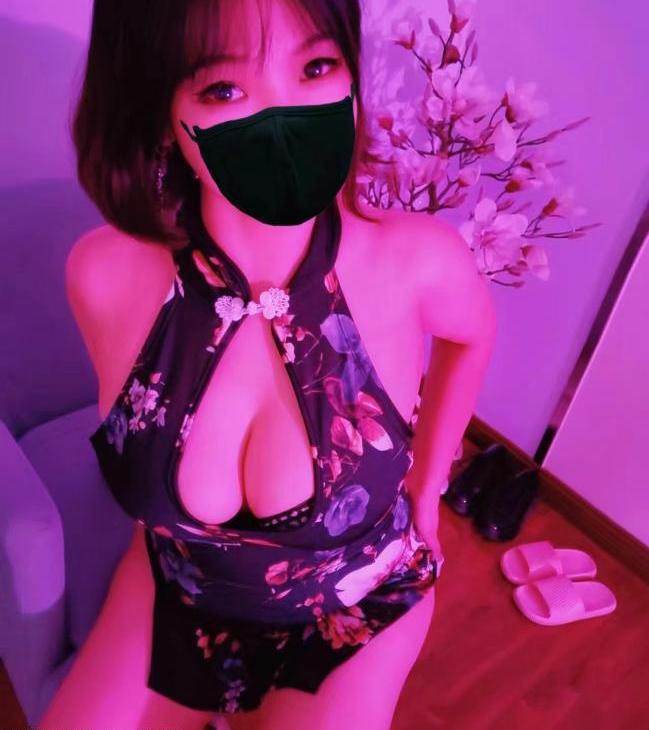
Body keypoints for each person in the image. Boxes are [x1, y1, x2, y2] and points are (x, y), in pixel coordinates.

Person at [39, 1, 496, 729]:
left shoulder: (417, 263)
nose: (285, 118)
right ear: (156, 110)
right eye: (223, 88)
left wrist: (429, 483)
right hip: (181, 587)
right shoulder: (103, 275)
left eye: (316, 67)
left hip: (356, 601)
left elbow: (472, 338)